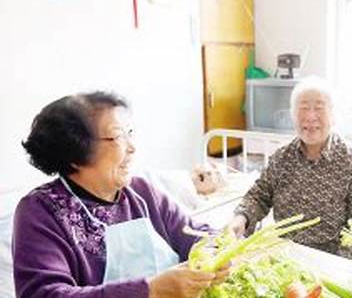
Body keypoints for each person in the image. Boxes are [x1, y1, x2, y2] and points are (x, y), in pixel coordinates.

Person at [13, 92, 228, 298]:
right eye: (118, 136)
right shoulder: (40, 211)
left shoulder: (142, 192)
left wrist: (217, 250)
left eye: (130, 133)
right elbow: (44, 294)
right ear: (74, 154)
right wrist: (151, 291)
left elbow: (195, 234)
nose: (132, 147)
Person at [227, 76, 352, 257]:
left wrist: (337, 268)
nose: (310, 116)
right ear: (293, 115)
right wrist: (240, 218)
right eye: (303, 108)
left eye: (319, 108)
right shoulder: (281, 158)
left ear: (334, 115)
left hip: (332, 260)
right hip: (284, 255)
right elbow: (259, 196)